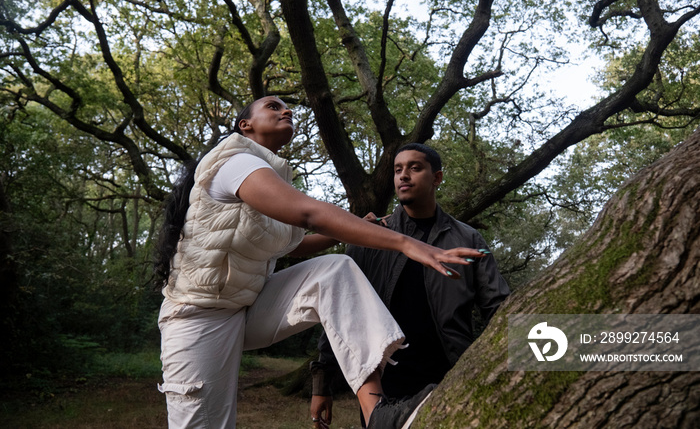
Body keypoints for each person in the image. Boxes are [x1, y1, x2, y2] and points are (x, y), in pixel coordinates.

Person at [153, 96, 487, 429]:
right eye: (273, 106)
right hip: (198, 315)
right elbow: (309, 214)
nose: (286, 110)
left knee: (335, 271)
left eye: (288, 108)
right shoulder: (233, 162)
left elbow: (292, 246)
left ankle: (378, 415)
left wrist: (355, 230)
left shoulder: (270, 174)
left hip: (246, 308)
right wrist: (406, 243)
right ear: (245, 125)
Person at [310, 143, 511, 428]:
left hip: (450, 375)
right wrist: (322, 383)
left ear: (437, 177)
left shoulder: (469, 239)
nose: (403, 176)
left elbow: (498, 307)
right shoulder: (368, 236)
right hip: (382, 383)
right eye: (398, 170)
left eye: (415, 168)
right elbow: (339, 312)